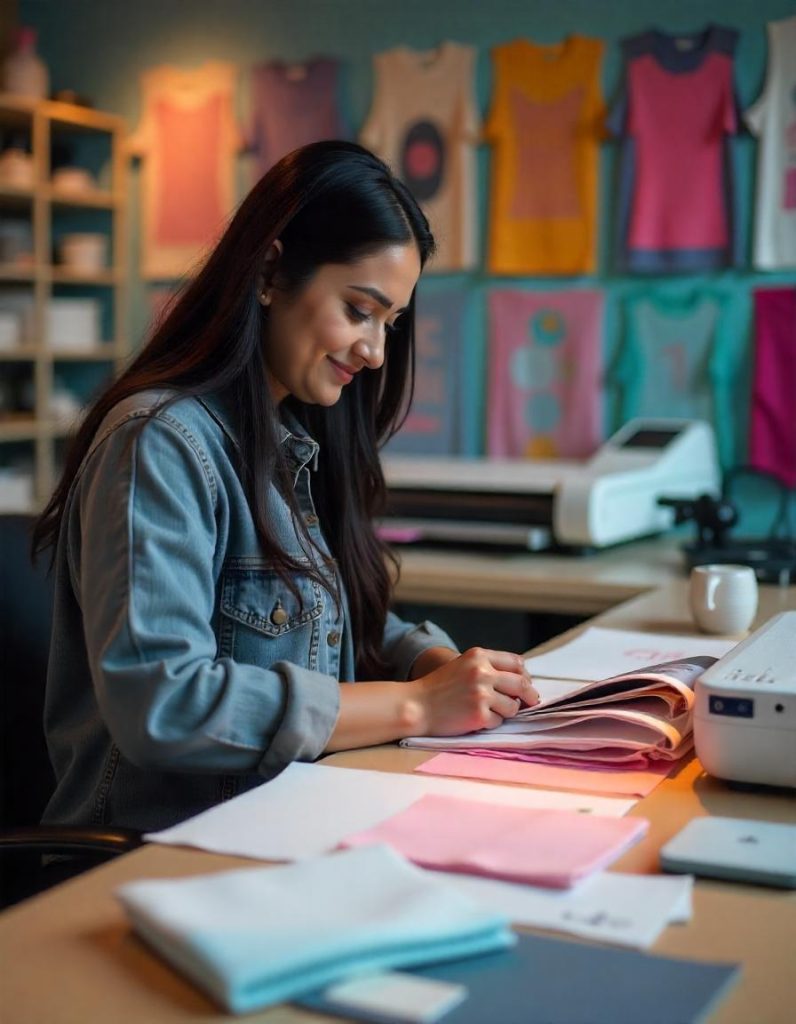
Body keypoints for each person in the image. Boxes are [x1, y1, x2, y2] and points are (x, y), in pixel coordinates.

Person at [33, 141, 538, 833]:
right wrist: (417, 705)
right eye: (359, 310)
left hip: (271, 826)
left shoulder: (287, 434)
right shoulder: (159, 440)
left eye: (390, 323)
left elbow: (312, 618)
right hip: (149, 856)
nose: (376, 351)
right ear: (271, 271)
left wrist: (433, 662)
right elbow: (164, 704)